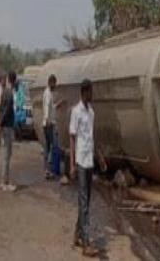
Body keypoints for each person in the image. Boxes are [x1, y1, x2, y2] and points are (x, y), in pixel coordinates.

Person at [69, 79, 106, 257]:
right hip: (81, 162)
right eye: (91, 92)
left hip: (90, 160)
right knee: (84, 202)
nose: (93, 95)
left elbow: (92, 136)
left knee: (86, 201)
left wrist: (99, 157)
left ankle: (77, 233)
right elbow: (72, 138)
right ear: (84, 93)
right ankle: (86, 243)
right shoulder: (76, 112)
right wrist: (71, 165)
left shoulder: (91, 112)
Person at [0, 71, 17, 192]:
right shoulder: (9, 93)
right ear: (14, 80)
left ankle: (5, 180)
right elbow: (5, 111)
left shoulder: (5, 92)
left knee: (7, 154)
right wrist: (1, 124)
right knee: (7, 154)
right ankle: (4, 183)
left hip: (5, 126)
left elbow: (1, 109)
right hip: (7, 127)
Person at [43, 75, 57, 179]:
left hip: (48, 123)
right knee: (51, 146)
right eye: (54, 83)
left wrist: (58, 105)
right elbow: (47, 106)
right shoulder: (48, 93)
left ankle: (47, 169)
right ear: (50, 82)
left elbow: (51, 106)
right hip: (48, 124)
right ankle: (48, 170)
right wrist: (48, 120)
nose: (55, 86)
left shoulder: (48, 93)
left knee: (48, 147)